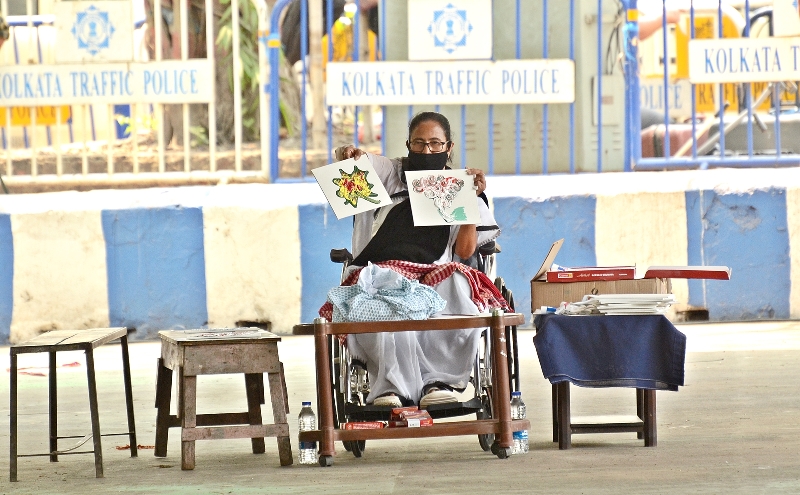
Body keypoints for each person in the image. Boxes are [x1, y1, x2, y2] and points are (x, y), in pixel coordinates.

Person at [322, 111, 506, 409]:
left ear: (449, 147)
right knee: (384, 296)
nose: (426, 150)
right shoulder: (388, 174)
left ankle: (438, 380)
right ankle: (389, 387)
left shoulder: (457, 186)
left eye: (435, 144)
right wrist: (347, 156)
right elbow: (352, 164)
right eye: (419, 144)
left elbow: (464, 252)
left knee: (458, 283)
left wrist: (470, 198)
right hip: (381, 269)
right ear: (408, 144)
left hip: (437, 270)